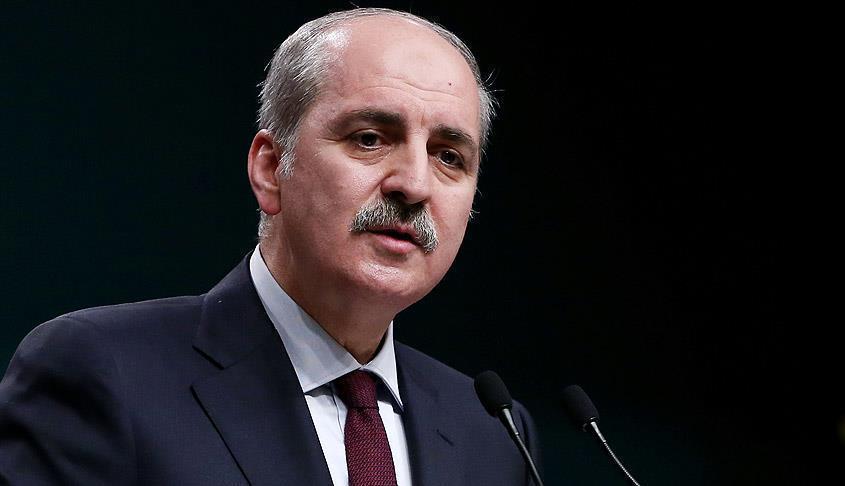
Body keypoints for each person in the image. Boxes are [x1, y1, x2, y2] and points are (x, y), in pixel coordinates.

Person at [0, 8, 540, 485]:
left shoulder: (494, 433)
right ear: (271, 168)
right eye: (370, 138)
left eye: (449, 157)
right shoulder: (102, 373)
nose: (415, 184)